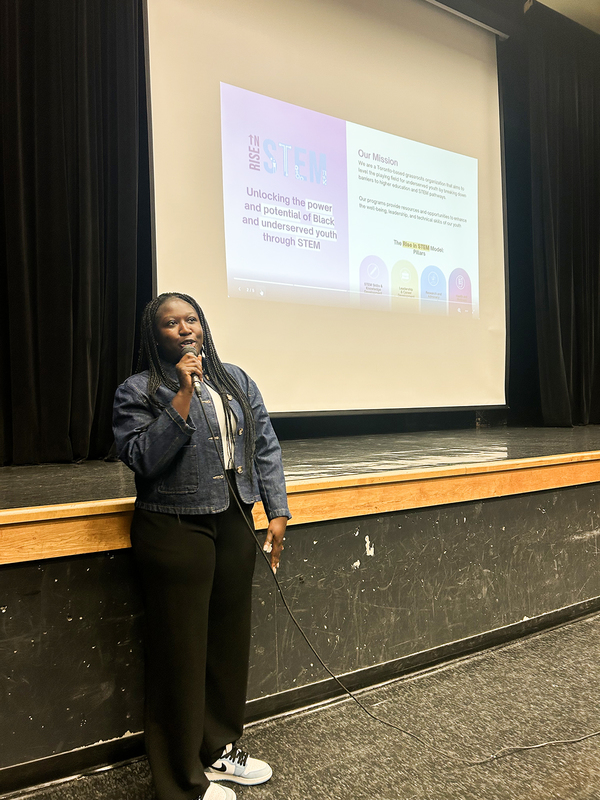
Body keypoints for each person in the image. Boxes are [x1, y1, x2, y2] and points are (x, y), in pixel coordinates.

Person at [113, 292, 290, 800]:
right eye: (171, 323)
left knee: (227, 644)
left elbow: (264, 445)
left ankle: (218, 750)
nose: (185, 329)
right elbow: (144, 458)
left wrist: (276, 508)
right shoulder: (139, 390)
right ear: (156, 335)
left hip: (235, 520)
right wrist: (182, 398)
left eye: (191, 319)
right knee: (180, 654)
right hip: (174, 528)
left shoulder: (235, 379)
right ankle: (180, 782)